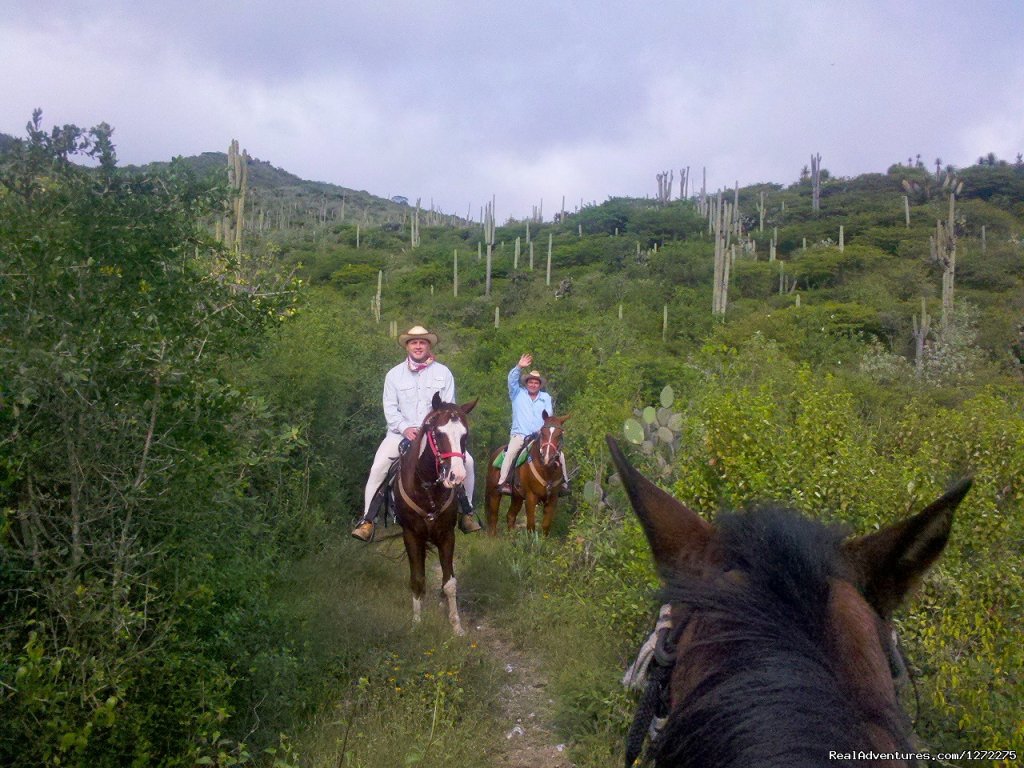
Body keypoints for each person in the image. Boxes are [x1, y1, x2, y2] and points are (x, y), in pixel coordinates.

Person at [352, 325, 481, 541]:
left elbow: (449, 409)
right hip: (400, 434)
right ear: (407, 346)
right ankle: (367, 520)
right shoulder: (393, 375)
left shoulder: (443, 373)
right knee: (379, 467)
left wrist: (427, 430)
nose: (418, 346)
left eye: (422, 342)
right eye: (414, 342)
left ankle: (466, 513)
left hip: (435, 435)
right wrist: (405, 428)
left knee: (467, 462)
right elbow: (390, 409)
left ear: (429, 345)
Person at [496, 353, 570, 495]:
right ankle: (503, 482)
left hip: (539, 436)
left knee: (560, 455)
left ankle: (564, 483)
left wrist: (550, 431)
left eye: (536, 383)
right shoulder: (517, 393)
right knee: (511, 452)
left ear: (540, 385)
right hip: (520, 434)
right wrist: (519, 367)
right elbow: (511, 381)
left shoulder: (545, 398)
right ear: (526, 383)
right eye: (531, 382)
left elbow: (548, 419)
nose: (533, 384)